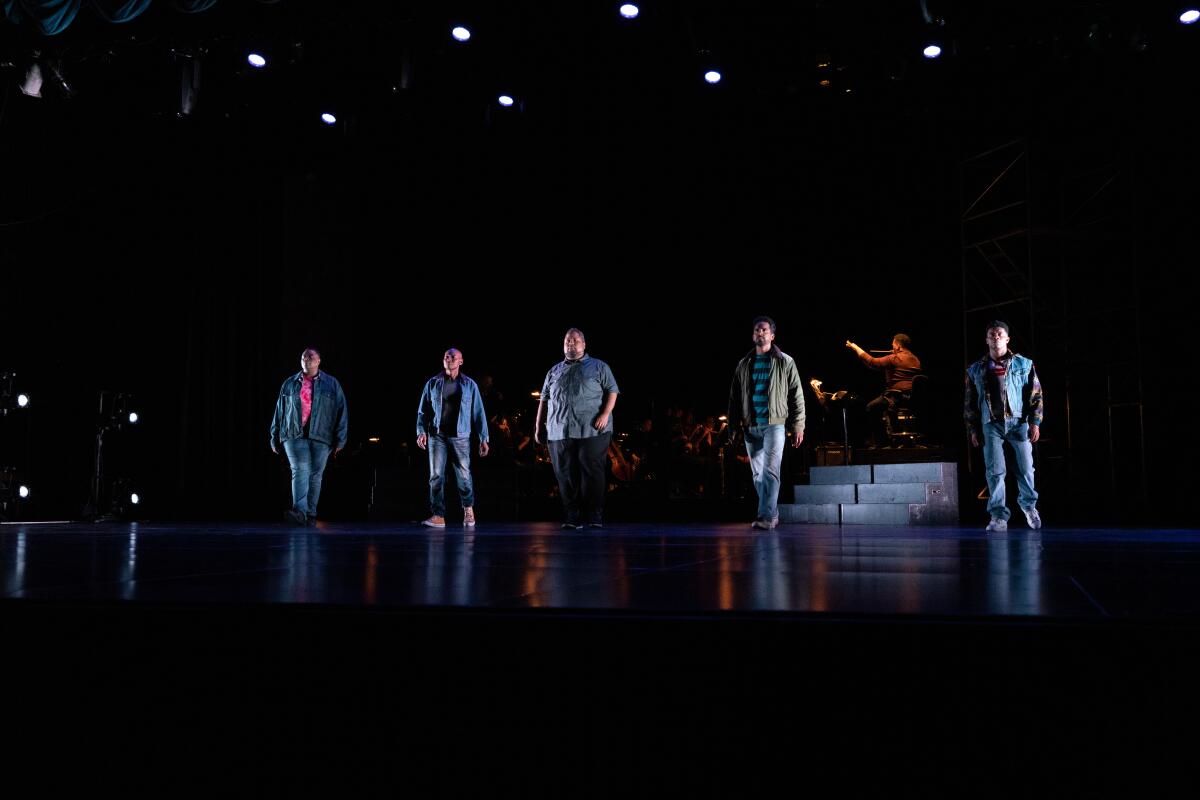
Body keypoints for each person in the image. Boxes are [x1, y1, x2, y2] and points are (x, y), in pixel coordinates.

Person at [534, 328, 619, 530]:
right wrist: (538, 426)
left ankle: (594, 515)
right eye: (567, 340)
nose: (571, 343)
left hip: (592, 429)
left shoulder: (599, 366)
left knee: (592, 471)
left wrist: (605, 414)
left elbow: (612, 391)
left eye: (575, 340)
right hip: (559, 430)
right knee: (565, 473)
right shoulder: (554, 371)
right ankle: (572, 516)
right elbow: (544, 399)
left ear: (584, 344)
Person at [964, 320, 1044, 532]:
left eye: (999, 334)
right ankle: (998, 516)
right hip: (991, 425)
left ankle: (1029, 507)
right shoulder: (975, 370)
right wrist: (973, 429)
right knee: (995, 471)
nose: (995, 337)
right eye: (992, 334)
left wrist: (1035, 422)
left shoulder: (1024, 364)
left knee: (1026, 469)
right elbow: (970, 402)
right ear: (987, 339)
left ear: (1007, 338)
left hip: (1018, 423)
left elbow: (1036, 395)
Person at [727, 316, 805, 530]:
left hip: (775, 425)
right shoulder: (744, 364)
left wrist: (798, 425)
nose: (759, 333)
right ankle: (773, 511)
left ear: (772, 335)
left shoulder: (785, 361)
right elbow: (734, 398)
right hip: (750, 425)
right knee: (757, 475)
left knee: (771, 471)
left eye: (764, 330)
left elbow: (796, 394)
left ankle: (765, 517)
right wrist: (733, 426)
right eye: (756, 330)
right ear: (753, 335)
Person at [270, 347, 348, 526]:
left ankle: (310, 514)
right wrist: (274, 435)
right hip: (293, 434)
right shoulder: (289, 383)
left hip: (321, 436)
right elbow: (279, 411)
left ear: (319, 360)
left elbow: (342, 411)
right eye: (304, 356)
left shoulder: (331, 384)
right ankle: (300, 512)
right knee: (300, 470)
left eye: (311, 356)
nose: (307, 358)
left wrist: (341, 438)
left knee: (315, 475)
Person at [416, 348, 490, 528]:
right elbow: (423, 410)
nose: (449, 359)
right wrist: (421, 431)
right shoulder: (433, 383)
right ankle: (438, 515)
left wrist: (483, 438)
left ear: (461, 361)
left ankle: (468, 510)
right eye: (446, 357)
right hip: (437, 435)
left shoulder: (469, 385)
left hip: (461, 436)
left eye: (452, 357)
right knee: (436, 476)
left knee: (464, 476)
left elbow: (478, 412)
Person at [845, 334, 922, 446]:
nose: (891, 345)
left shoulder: (895, 358)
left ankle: (883, 442)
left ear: (898, 346)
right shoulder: (916, 359)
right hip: (911, 398)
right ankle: (896, 438)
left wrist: (855, 348)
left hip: (895, 397)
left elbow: (872, 362)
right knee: (883, 406)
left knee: (871, 407)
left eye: (893, 343)